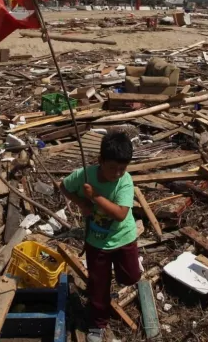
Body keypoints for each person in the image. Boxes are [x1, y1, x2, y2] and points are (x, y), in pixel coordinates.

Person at [60, 132, 140, 342]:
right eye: (112, 168)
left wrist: (94, 196)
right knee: (98, 286)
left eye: (122, 168)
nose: (117, 173)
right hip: (97, 242)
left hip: (124, 237)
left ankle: (115, 282)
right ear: (100, 161)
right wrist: (81, 202)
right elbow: (64, 186)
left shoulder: (125, 182)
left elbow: (120, 214)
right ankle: (97, 324)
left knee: (131, 277)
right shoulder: (85, 175)